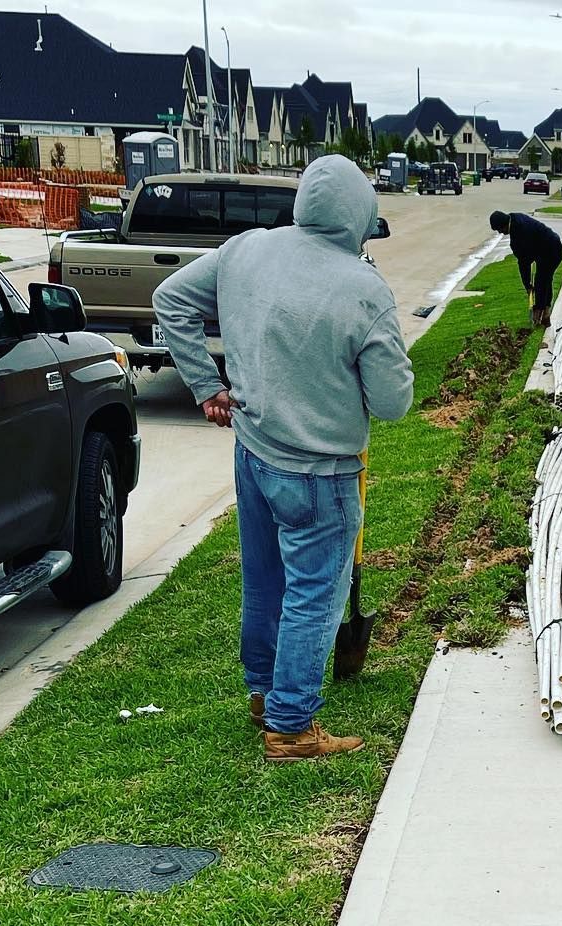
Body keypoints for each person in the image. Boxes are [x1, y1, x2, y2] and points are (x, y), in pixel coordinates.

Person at [154, 154, 413, 762]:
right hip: (319, 473)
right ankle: (292, 727)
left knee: (265, 581)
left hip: (254, 452)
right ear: (359, 216)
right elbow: (395, 402)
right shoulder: (363, 288)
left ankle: (264, 694)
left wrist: (205, 384)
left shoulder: (247, 249)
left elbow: (171, 300)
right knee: (314, 594)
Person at [490, 210, 562, 326]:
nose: (500, 232)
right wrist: (528, 284)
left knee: (541, 280)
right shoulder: (514, 219)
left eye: (499, 229)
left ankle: (539, 313)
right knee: (545, 279)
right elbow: (525, 261)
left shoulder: (520, 233)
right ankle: (545, 313)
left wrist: (528, 285)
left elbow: (524, 263)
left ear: (503, 225)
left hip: (553, 250)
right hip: (547, 249)